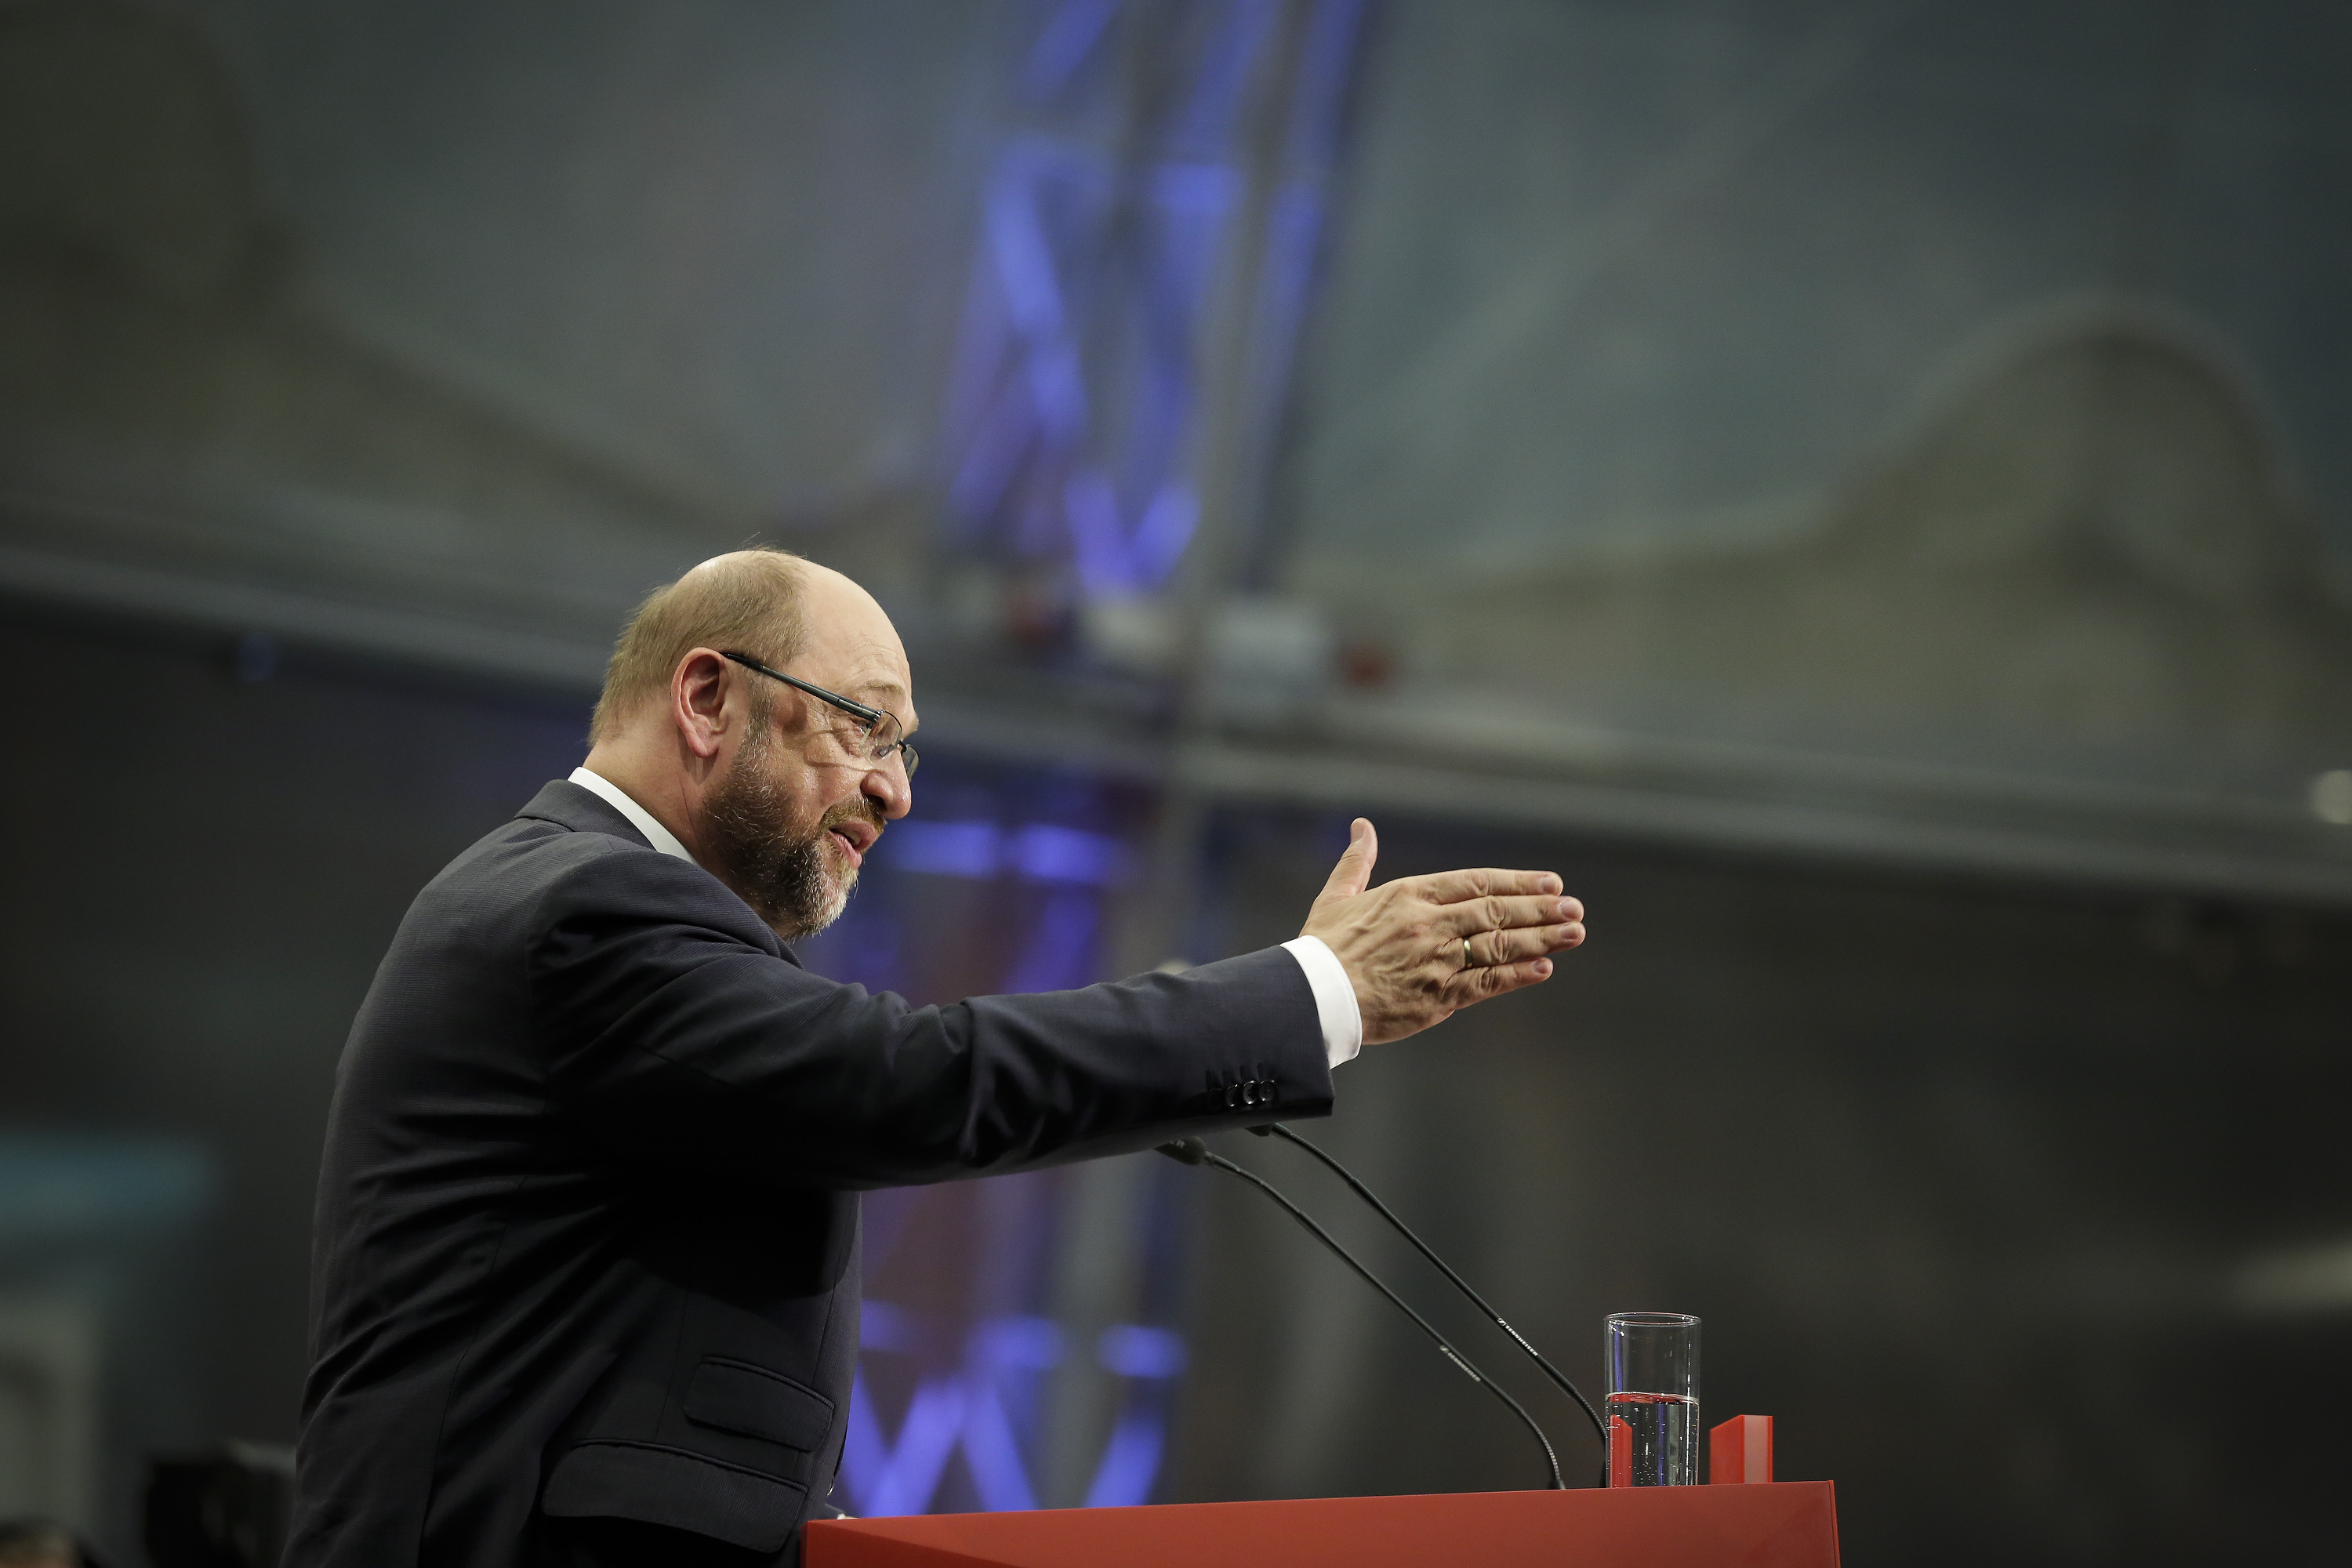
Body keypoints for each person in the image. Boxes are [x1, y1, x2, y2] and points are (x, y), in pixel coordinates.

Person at [288, 550, 1586, 1568]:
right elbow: (917, 1080)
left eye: (906, 750)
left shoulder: (606, 911)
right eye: (863, 726)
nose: (896, 790)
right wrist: (1316, 995)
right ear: (705, 697)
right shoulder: (586, 909)